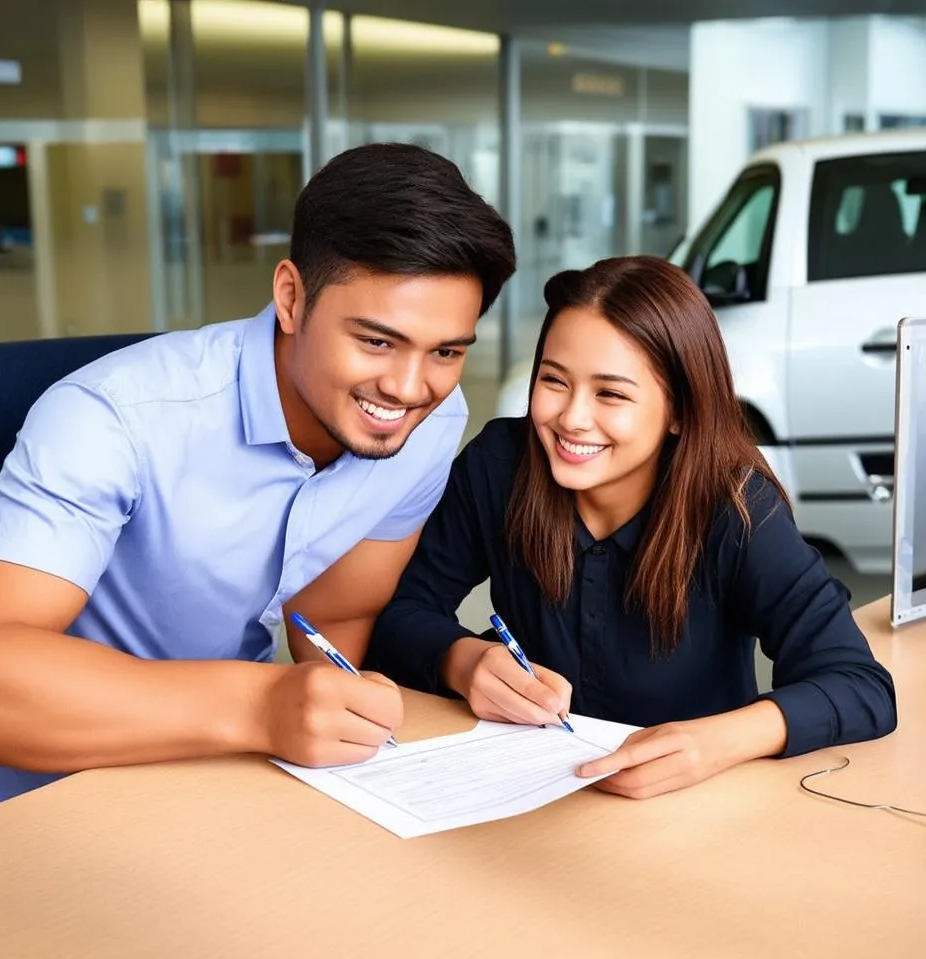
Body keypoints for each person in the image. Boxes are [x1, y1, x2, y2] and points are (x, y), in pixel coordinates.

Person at [0, 143, 516, 829]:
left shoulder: (430, 423)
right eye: (377, 342)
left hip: (236, 800)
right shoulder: (113, 415)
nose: (410, 389)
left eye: (445, 351)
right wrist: (265, 706)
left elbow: (335, 614)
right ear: (291, 297)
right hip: (38, 811)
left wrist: (363, 731)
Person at [367, 256, 896, 799]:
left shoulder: (736, 509)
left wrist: (715, 743)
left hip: (694, 813)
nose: (571, 418)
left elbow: (860, 687)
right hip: (527, 795)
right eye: (553, 380)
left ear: (680, 412)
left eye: (611, 394)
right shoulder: (501, 464)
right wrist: (465, 661)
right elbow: (400, 614)